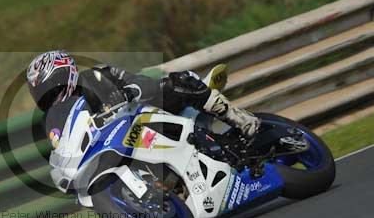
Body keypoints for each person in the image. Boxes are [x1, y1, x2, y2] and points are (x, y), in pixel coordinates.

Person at [26, 50, 260, 148]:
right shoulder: (52, 121)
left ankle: (239, 119)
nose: (49, 96)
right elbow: (63, 148)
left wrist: (129, 92)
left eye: (50, 88)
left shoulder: (98, 75)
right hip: (119, 145)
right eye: (41, 93)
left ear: (67, 75)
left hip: (148, 115)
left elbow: (142, 82)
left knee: (179, 82)